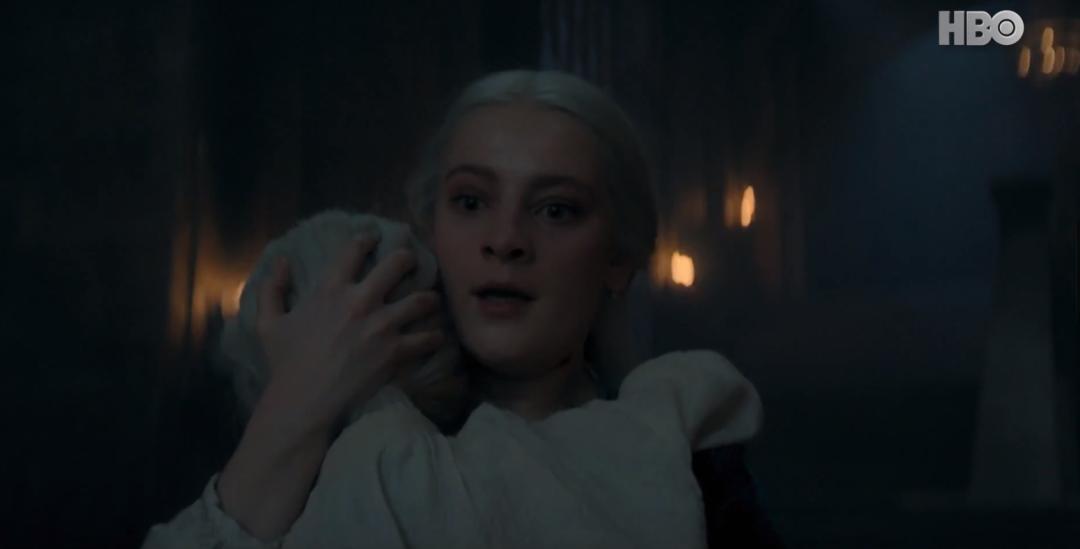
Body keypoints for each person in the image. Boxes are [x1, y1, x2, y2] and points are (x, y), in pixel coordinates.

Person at [142, 69, 784, 548]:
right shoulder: (321, 450)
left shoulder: (680, 453)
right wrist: (299, 401)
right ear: (429, 230)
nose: (505, 240)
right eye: (471, 202)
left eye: (556, 209)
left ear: (618, 256)